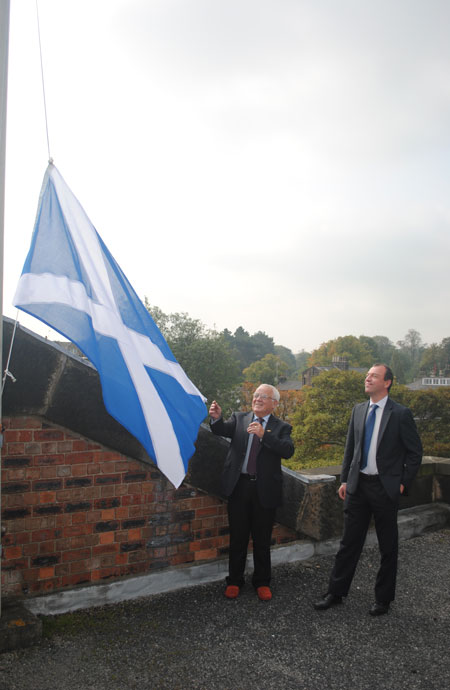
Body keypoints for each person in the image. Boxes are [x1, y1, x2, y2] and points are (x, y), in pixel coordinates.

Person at [314, 364, 423, 616]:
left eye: (373, 376)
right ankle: (336, 592)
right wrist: (344, 480)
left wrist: (402, 482)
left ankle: (383, 599)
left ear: (387, 382)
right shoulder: (358, 410)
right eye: (367, 375)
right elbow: (350, 449)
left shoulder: (400, 414)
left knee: (388, 546)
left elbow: (415, 452)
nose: (367, 378)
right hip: (358, 486)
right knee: (349, 543)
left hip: (385, 488)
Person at [209, 384, 294, 601]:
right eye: (255, 395)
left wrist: (264, 435)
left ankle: (262, 582)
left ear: (274, 403)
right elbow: (221, 430)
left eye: (263, 397)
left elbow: (288, 451)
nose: (257, 399)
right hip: (239, 487)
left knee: (262, 539)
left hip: (264, 490)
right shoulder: (240, 418)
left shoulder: (281, 426)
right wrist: (217, 419)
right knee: (238, 537)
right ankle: (234, 581)